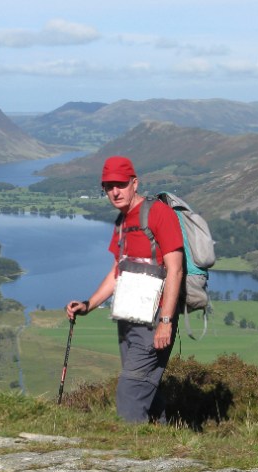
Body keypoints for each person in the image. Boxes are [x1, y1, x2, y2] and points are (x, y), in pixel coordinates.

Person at [66, 156, 184, 423]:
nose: (114, 192)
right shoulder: (122, 222)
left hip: (154, 320)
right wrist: (89, 304)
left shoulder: (158, 214)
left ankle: (135, 455)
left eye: (120, 184)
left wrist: (166, 321)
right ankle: (164, 447)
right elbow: (117, 271)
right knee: (146, 389)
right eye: (108, 186)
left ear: (134, 183)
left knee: (130, 393)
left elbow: (175, 269)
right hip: (129, 319)